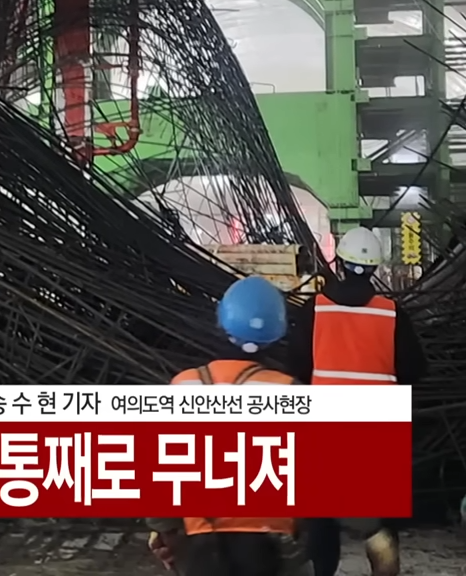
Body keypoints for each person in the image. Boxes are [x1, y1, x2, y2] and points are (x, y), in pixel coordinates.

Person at [146, 275, 311, 576]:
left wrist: (164, 529)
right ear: (277, 334)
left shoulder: (183, 385)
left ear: (221, 323)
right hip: (271, 548)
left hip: (201, 545)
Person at [285, 226, 426, 576]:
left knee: (321, 514)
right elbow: (415, 369)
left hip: (325, 427)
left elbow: (296, 368)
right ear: (374, 267)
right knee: (380, 515)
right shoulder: (392, 313)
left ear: (340, 263)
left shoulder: (314, 310)